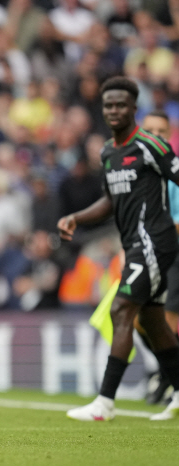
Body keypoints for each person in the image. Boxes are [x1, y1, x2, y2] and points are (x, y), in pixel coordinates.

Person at [58, 77, 179, 421]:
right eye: (109, 105)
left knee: (121, 309)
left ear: (133, 109)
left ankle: (105, 403)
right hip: (136, 244)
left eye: (121, 105)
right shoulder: (109, 152)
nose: (114, 110)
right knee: (153, 322)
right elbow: (110, 200)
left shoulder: (150, 146)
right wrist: (76, 217)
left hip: (155, 241)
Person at [136, 110, 179, 404]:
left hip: (173, 253)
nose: (156, 136)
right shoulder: (139, 170)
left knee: (168, 320)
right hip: (148, 253)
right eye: (150, 131)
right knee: (138, 318)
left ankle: (169, 380)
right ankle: (166, 373)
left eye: (161, 131)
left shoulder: (173, 171)